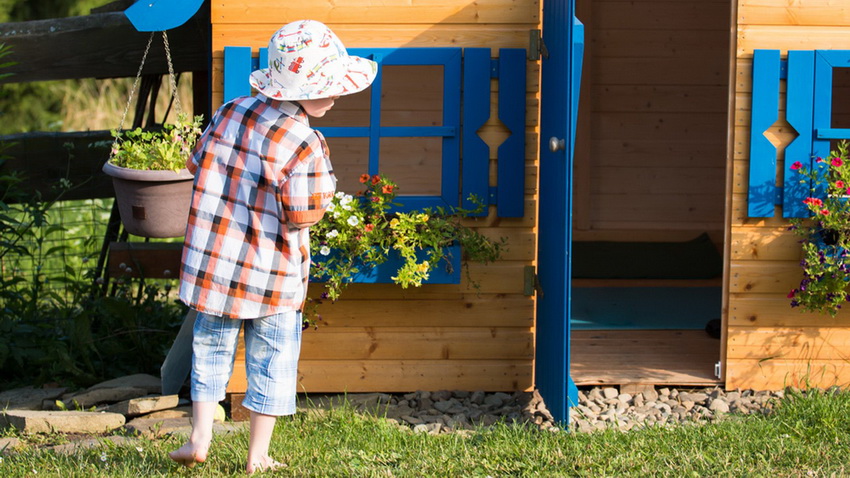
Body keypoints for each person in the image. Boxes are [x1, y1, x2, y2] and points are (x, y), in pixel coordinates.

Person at [168, 19, 376, 474]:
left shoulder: (229, 111)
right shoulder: (305, 142)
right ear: (302, 90)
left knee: (211, 348)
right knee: (273, 358)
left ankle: (200, 437)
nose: (337, 95)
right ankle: (257, 455)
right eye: (329, 86)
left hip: (216, 265)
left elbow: (195, 161)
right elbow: (303, 213)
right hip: (274, 273)